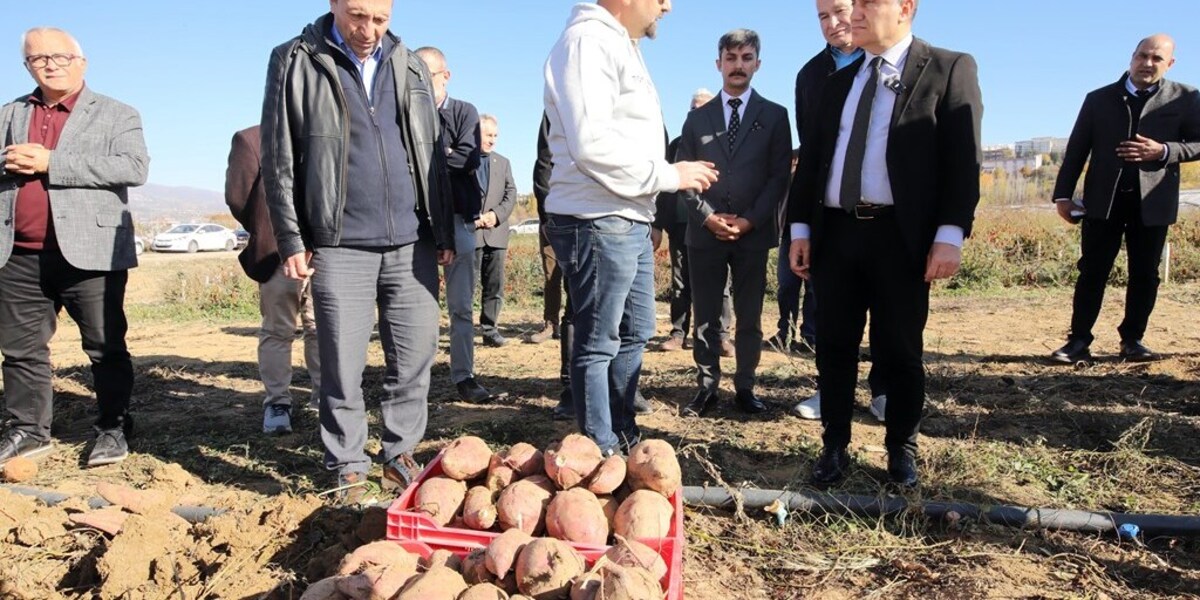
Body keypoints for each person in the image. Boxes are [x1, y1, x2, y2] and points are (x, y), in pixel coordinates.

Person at [261, 0, 455, 504]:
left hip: (412, 241)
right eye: (357, 16)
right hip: (339, 242)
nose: (368, 30)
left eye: (380, 19)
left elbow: (430, 150)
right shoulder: (297, 58)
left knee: (414, 357)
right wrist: (291, 237)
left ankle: (399, 454)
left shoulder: (409, 62)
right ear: (333, 5)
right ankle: (347, 461)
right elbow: (278, 153)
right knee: (341, 362)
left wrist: (444, 231)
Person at [787, 0, 983, 488]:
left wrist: (950, 234)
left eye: (867, 3)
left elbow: (963, 158)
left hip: (901, 237)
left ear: (905, 8)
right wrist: (800, 229)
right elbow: (811, 164)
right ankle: (834, 446)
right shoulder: (837, 83)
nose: (853, 12)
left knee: (899, 347)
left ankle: (901, 448)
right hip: (837, 233)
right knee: (833, 345)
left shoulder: (947, 68)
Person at [544, 0, 718, 455]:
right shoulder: (588, 42)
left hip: (627, 215)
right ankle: (599, 448)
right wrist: (670, 175)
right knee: (599, 339)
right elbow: (591, 145)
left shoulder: (621, 44)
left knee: (637, 328)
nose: (667, 5)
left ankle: (622, 432)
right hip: (597, 216)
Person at [0, 27, 148, 469]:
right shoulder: (8, 114)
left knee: (105, 346)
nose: (50, 64)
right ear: (26, 66)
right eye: (37, 58)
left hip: (92, 251)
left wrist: (51, 163)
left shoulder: (117, 113)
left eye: (60, 57)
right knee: (21, 349)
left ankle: (113, 426)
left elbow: (134, 167)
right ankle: (27, 430)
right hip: (17, 252)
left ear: (81, 62)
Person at [1049, 34, 1200, 364]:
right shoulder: (1098, 99)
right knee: (1092, 271)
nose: (1148, 63)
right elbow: (1076, 150)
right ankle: (1078, 342)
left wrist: (1165, 151)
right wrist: (1063, 195)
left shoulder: (1186, 98)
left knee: (1146, 274)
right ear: (1131, 57)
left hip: (1154, 202)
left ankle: (1132, 340)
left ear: (1169, 63)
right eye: (1142, 56)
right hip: (1103, 201)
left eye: (1157, 59)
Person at [676, 29, 792, 418]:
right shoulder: (696, 120)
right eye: (731, 58)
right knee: (706, 316)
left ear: (757, 63)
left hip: (752, 234)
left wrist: (749, 220)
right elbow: (682, 175)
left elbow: (779, 177)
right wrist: (708, 218)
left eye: (746, 57)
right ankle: (706, 387)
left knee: (750, 315)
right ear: (718, 64)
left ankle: (746, 386)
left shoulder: (775, 116)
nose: (738, 65)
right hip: (704, 235)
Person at [788, 0, 887, 423]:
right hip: (831, 213)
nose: (833, 23)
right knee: (826, 308)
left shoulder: (890, 63)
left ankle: (884, 389)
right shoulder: (811, 76)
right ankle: (829, 390)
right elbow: (810, 154)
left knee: (886, 307)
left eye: (840, 11)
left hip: (884, 212)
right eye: (822, 16)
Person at [225, 125, 321, 435]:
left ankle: (325, 397)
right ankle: (277, 402)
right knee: (278, 331)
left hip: (324, 253)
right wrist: (269, 230)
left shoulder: (325, 132)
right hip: (276, 254)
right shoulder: (251, 139)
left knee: (322, 328)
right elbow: (238, 198)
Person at [415, 47, 494, 402]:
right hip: (415, 225)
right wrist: (443, 155)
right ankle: (415, 378)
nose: (417, 84)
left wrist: (429, 158)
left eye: (426, 76)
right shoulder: (404, 114)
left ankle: (464, 375)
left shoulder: (465, 112)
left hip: (459, 221)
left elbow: (466, 157)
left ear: (445, 76)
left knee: (461, 306)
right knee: (416, 306)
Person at [655, 88, 734, 358]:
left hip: (711, 223)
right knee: (680, 282)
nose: (696, 113)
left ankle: (722, 335)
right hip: (679, 224)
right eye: (693, 108)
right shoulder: (675, 145)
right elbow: (662, 186)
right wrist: (657, 223)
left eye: (702, 108)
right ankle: (678, 333)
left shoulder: (723, 142)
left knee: (720, 283)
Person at [473, 114, 518, 345]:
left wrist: (496, 215)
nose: (492, 140)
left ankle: (490, 331)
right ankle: (461, 333)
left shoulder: (504, 162)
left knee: (494, 287)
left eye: (495, 136)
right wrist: (474, 219)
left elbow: (511, 194)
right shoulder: (463, 161)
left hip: (497, 234)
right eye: (488, 135)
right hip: (471, 234)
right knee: (466, 288)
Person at [529, 112, 564, 345]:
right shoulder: (553, 113)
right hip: (553, 214)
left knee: (580, 275)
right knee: (552, 273)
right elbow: (542, 167)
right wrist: (546, 215)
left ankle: (578, 320)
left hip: (583, 209)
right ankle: (551, 322)